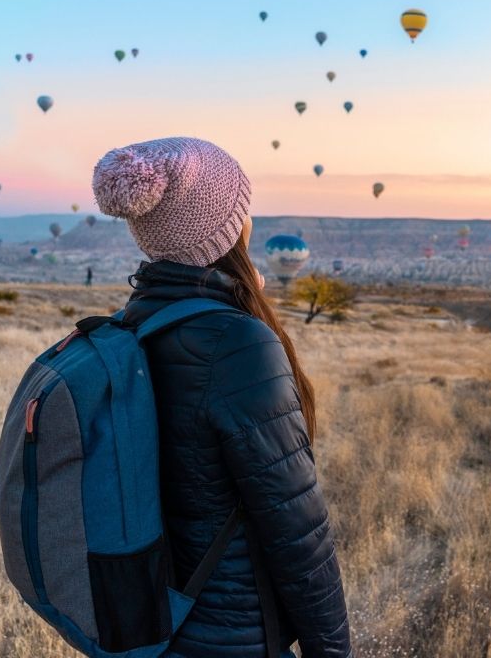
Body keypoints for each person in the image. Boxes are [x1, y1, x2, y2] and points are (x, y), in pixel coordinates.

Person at [92, 137, 352, 658]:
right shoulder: (236, 342)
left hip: (150, 625)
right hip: (232, 633)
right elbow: (296, 526)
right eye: (242, 208)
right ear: (227, 228)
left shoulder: (133, 325)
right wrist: (332, 650)